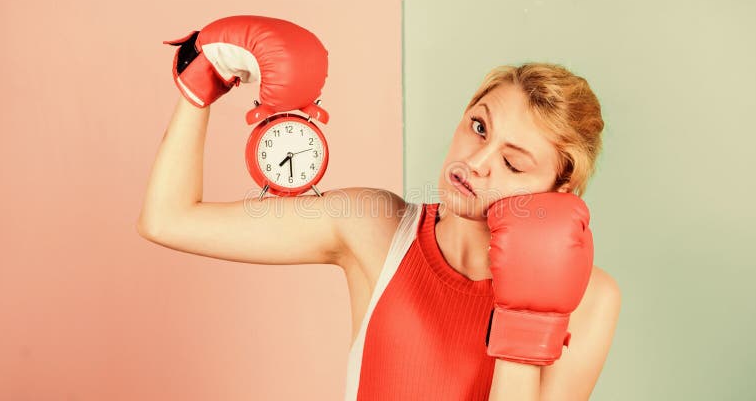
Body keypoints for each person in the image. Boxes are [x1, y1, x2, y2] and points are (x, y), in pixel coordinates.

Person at [137, 60, 621, 400]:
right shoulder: (377, 227)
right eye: (478, 127)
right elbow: (169, 218)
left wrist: (525, 323)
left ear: (561, 188)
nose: (476, 163)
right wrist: (200, 81)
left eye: (513, 163)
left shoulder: (591, 299)